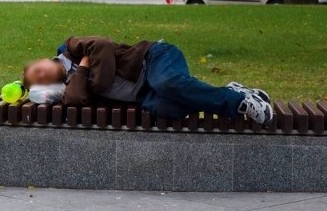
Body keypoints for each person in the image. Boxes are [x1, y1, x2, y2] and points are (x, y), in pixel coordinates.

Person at [22, 36, 273, 125]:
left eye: (38, 69)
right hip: (144, 94)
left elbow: (102, 45)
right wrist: (84, 72)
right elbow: (77, 99)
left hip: (152, 58)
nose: (42, 75)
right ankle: (229, 91)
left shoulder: (71, 47)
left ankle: (241, 102)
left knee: (167, 84)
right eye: (39, 79)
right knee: (168, 108)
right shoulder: (69, 87)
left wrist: (93, 82)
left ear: (44, 59)